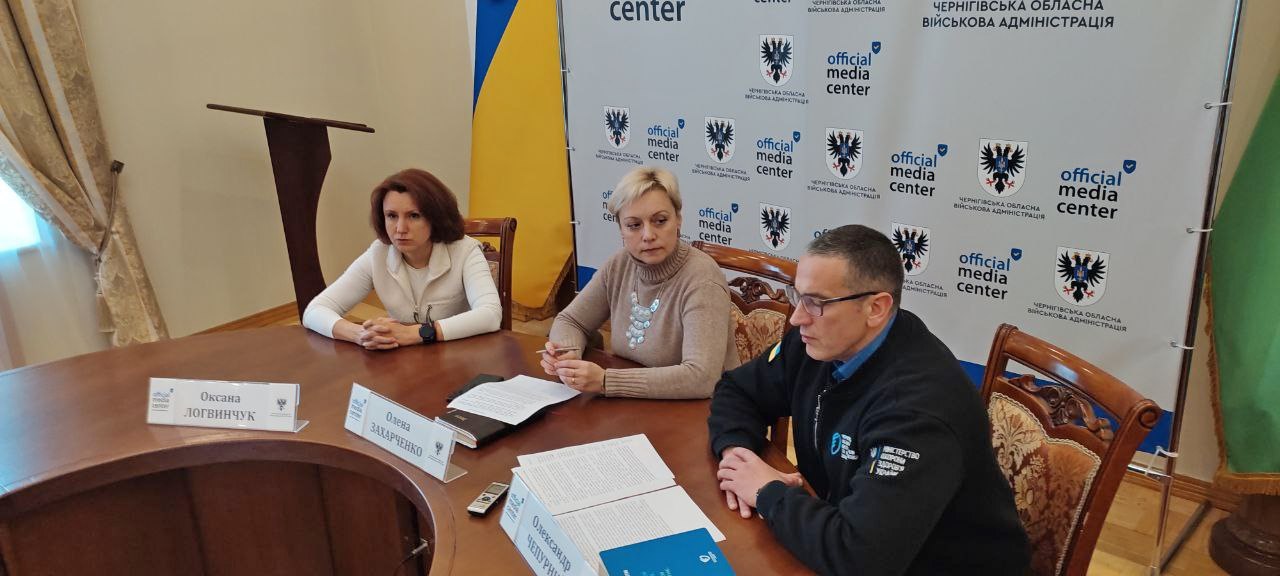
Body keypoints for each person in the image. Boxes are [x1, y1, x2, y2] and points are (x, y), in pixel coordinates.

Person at [708, 225, 1029, 575]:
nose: (797, 317)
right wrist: (736, 455)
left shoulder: (919, 409)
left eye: (816, 302)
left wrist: (767, 492)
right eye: (797, 295)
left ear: (876, 308)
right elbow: (738, 390)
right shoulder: (819, 342)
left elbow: (859, 557)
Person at [542, 166, 738, 399]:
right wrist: (567, 354)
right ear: (621, 230)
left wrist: (606, 381)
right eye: (634, 225)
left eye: (660, 221)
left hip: (704, 409)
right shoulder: (619, 264)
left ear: (678, 220)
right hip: (633, 404)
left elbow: (702, 377)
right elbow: (571, 320)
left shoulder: (703, 279)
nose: (648, 235)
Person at [302, 168, 501, 349]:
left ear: (436, 217)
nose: (400, 229)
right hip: (402, 360)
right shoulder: (378, 254)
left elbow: (490, 314)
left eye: (414, 216)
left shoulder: (465, 251)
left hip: (458, 354)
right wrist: (360, 334)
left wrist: (417, 333)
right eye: (391, 216)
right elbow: (314, 311)